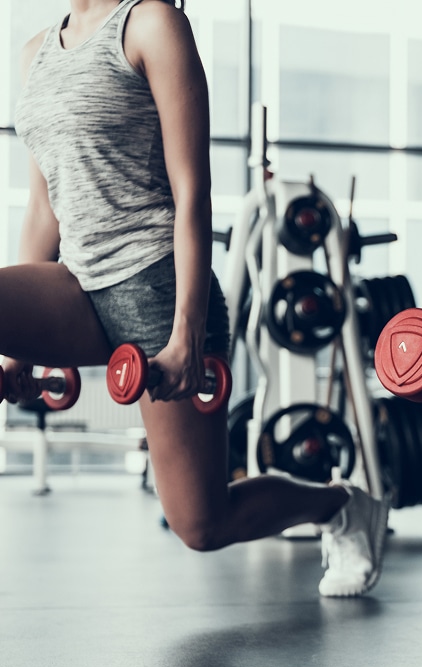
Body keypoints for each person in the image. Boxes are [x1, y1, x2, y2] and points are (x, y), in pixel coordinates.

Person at [3, 0, 389, 598]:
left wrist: (188, 330)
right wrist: (15, 353)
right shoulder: (35, 54)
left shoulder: (150, 25)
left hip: (156, 287)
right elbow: (42, 210)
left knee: (202, 524)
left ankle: (342, 506)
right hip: (77, 283)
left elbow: (192, 193)